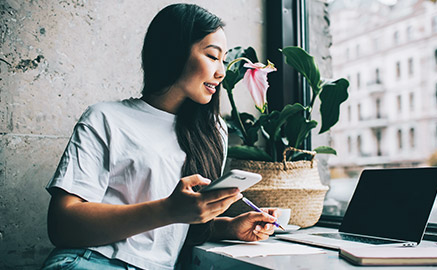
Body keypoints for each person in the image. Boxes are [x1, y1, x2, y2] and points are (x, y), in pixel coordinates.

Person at [41, 3, 278, 270]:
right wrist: (169, 210)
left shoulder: (213, 133)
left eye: (223, 60)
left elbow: (169, 231)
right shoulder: (105, 118)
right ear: (174, 52)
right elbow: (62, 226)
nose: (221, 72)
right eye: (213, 56)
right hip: (91, 261)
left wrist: (227, 227)